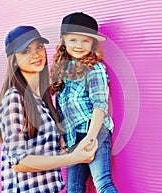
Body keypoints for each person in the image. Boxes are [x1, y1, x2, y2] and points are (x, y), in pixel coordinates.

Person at [0, 25, 98, 193]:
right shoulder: (15, 99)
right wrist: (73, 157)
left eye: (39, 47)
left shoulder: (42, 101)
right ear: (14, 60)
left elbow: (46, 151)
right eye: (25, 51)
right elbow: (19, 163)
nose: (36, 54)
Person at [50, 12, 119, 193]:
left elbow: (100, 106)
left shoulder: (95, 68)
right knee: (73, 188)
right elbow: (60, 108)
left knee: (102, 182)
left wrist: (90, 138)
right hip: (73, 136)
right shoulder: (62, 70)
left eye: (85, 41)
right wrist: (62, 137)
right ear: (63, 40)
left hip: (94, 131)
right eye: (73, 40)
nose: (79, 46)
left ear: (93, 43)